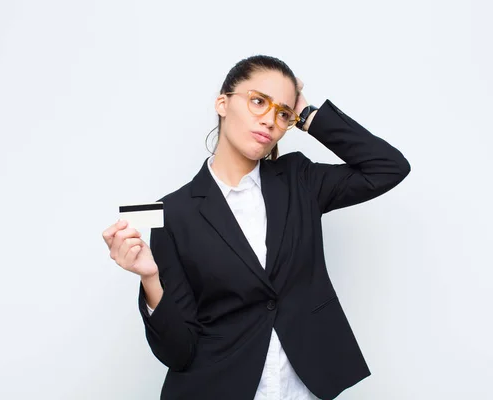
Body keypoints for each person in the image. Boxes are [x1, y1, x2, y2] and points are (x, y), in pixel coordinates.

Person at [102, 55, 411, 400]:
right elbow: (178, 351)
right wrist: (150, 279)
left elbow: (388, 168)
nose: (269, 121)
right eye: (258, 101)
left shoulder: (299, 180)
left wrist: (309, 117)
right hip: (218, 387)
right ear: (222, 103)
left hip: (302, 388)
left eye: (282, 113)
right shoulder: (175, 212)